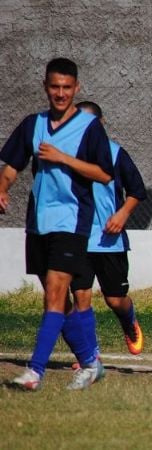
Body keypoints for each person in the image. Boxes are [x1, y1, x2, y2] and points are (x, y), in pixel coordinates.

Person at [0, 58, 113, 391]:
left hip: (72, 221)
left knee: (55, 294)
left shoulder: (90, 127)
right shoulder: (32, 125)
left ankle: (35, 372)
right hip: (39, 223)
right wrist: (3, 188)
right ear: (45, 87)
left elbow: (104, 173)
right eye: (54, 87)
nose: (60, 94)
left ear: (76, 88)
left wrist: (64, 158)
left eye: (66, 88)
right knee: (59, 302)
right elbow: (11, 167)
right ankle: (91, 363)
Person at [69, 101, 147, 361]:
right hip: (77, 239)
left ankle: (129, 321)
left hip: (109, 241)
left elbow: (137, 190)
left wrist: (122, 214)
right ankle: (90, 357)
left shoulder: (115, 154)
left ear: (100, 125)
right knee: (81, 298)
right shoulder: (66, 156)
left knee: (114, 299)